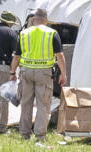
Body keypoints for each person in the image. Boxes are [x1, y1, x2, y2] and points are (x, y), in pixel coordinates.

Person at [9, 8, 67, 141]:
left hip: (26, 72)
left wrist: (12, 72)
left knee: (26, 103)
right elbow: (60, 56)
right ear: (46, 19)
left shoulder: (24, 33)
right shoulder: (51, 33)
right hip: (44, 73)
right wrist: (63, 74)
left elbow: (17, 56)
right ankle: (40, 135)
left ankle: (25, 134)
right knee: (43, 104)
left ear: (34, 19)